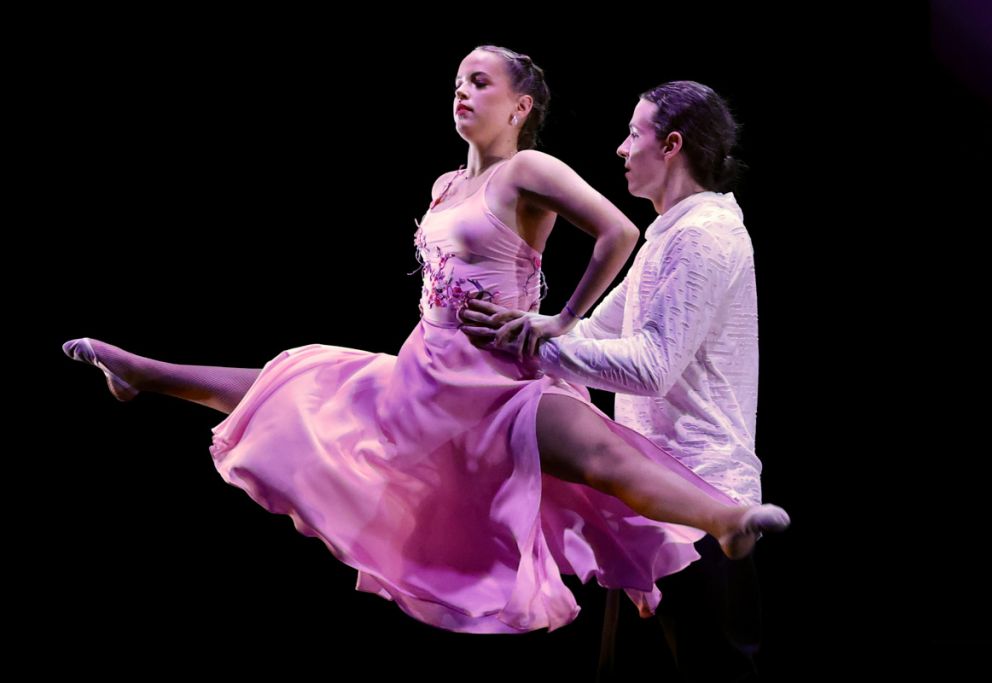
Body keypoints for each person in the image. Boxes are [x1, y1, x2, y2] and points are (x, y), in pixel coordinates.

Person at [62, 47, 788, 636]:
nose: (462, 92)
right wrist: (561, 333)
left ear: (521, 106)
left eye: (480, 82)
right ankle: (145, 373)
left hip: (497, 375)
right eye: (457, 83)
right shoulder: (448, 185)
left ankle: (725, 519)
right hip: (431, 369)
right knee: (297, 380)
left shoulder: (532, 171)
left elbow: (614, 240)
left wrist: (555, 326)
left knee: (593, 456)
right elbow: (609, 313)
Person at [459, 80, 771, 677]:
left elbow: (650, 367)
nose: (622, 149)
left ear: (672, 146)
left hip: (704, 501)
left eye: (634, 134)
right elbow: (594, 336)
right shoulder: (668, 236)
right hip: (653, 506)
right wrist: (520, 331)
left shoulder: (705, 235)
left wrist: (537, 344)